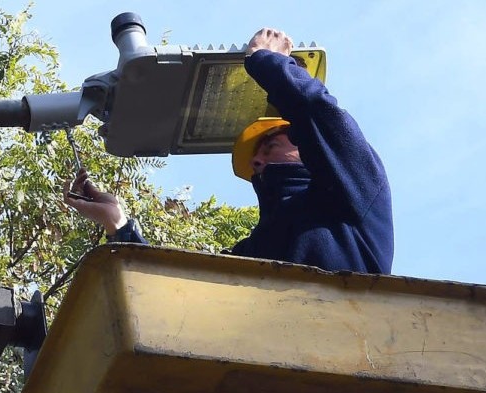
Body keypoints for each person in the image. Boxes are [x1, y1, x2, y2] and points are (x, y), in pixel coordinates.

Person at [64, 28, 394, 275]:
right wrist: (119, 224)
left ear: (304, 144)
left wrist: (269, 62)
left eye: (270, 144)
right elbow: (174, 296)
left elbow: (320, 115)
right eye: (257, 157)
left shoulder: (355, 193)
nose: (257, 161)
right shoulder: (256, 252)